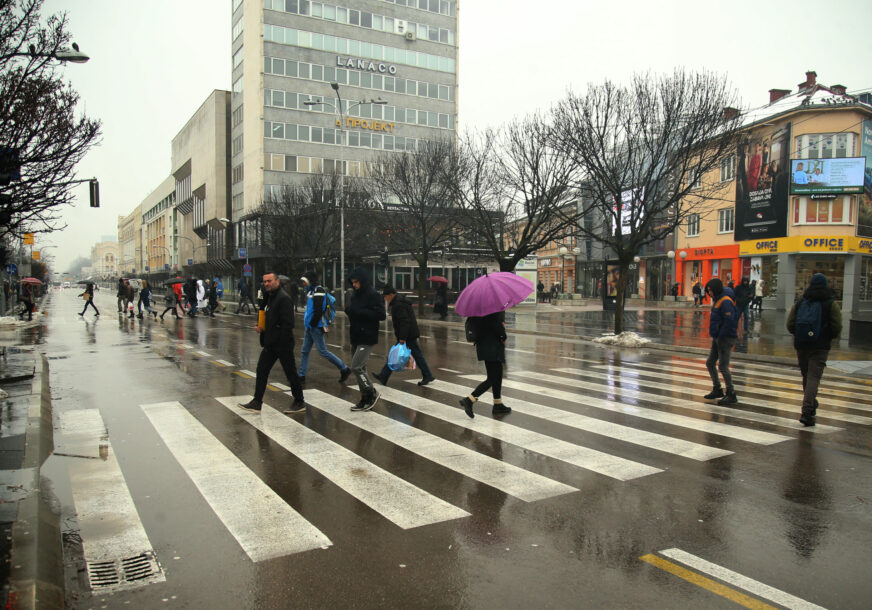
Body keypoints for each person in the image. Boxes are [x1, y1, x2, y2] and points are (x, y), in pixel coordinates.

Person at [238, 272, 305, 414]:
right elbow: (267, 316)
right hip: (270, 343)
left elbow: (288, 324)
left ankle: (299, 401)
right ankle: (257, 402)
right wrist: (262, 328)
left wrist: (279, 341)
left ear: (277, 282)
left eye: (269, 281)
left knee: (290, 373)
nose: (267, 284)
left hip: (282, 344)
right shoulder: (269, 297)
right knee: (261, 370)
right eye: (265, 281)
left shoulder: (283, 299)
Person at [786, 273, 842, 427]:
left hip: (802, 344)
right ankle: (807, 410)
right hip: (820, 346)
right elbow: (837, 326)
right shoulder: (831, 304)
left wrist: (800, 334)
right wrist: (828, 336)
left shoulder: (801, 302)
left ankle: (810, 404)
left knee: (806, 376)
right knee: (813, 378)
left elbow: (790, 324)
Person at [373, 285, 435, 387]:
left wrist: (402, 338)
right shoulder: (398, 302)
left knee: (402, 355)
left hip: (407, 335)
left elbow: (404, 322)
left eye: (386, 296)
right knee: (410, 355)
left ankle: (384, 375)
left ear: (391, 295)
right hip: (408, 334)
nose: (385, 299)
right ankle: (384, 375)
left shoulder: (398, 304)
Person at [296, 271, 351, 385]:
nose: (303, 284)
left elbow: (318, 310)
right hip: (310, 326)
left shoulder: (318, 290)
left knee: (322, 351)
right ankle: (301, 375)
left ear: (310, 280)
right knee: (305, 351)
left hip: (316, 326)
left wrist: (312, 324)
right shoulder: (311, 291)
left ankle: (344, 368)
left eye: (304, 281)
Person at [344, 268, 386, 412]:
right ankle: (364, 398)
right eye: (352, 282)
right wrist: (349, 310)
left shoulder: (373, 294)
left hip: (367, 336)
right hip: (355, 335)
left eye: (356, 282)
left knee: (356, 367)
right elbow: (353, 310)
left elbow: (381, 314)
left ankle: (371, 393)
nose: (354, 285)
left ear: (362, 281)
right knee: (360, 369)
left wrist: (360, 312)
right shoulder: (355, 295)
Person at [459, 311, 512, 418]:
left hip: (485, 345)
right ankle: (469, 399)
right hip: (492, 346)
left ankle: (498, 404)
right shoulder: (492, 309)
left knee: (497, 375)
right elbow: (496, 325)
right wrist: (503, 335)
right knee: (493, 378)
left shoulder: (480, 308)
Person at [702, 278, 738, 405]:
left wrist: (721, 335)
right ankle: (717, 388)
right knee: (710, 362)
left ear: (716, 289)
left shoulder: (725, 301)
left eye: (710, 290)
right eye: (708, 291)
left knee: (723, 366)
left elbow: (729, 321)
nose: (709, 293)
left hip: (725, 338)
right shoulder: (718, 299)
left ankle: (731, 393)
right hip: (718, 337)